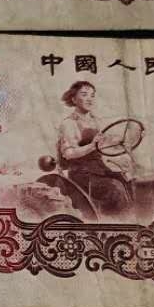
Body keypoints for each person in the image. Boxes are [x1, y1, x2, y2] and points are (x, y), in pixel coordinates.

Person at [56, 81, 133, 215]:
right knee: (116, 189)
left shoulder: (97, 121)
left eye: (92, 95)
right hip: (81, 175)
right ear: (74, 99)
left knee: (129, 183)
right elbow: (69, 153)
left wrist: (126, 140)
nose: (89, 99)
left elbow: (106, 145)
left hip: (100, 170)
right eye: (84, 94)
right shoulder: (68, 124)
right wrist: (92, 146)